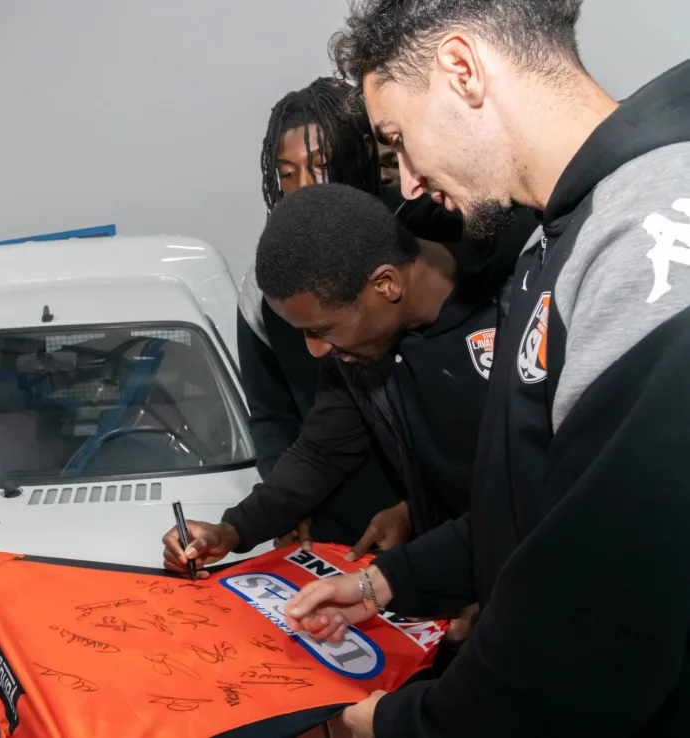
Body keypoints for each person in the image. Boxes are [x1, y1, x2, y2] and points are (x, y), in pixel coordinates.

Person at [285, 2, 690, 736]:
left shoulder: (647, 243)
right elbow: (535, 502)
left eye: (398, 140)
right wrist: (389, 581)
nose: (406, 182)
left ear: (462, 70)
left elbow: (595, 619)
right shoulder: (557, 238)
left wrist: (399, 724)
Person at [166, 183, 504, 593]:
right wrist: (232, 530)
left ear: (386, 285)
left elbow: (534, 496)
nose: (315, 350)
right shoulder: (362, 349)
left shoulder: (513, 316)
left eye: (322, 330)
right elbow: (322, 452)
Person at [239, 77, 402, 548]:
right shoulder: (267, 285)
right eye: (287, 174)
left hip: (432, 529)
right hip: (326, 527)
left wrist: (421, 508)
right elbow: (271, 416)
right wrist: (286, 507)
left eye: (321, 167)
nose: (303, 188)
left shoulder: (418, 256)